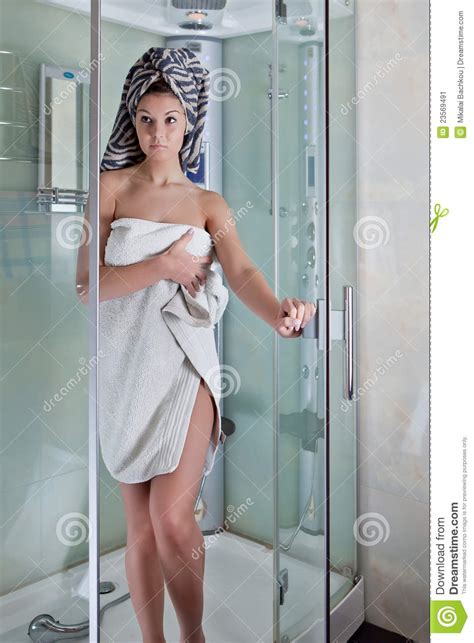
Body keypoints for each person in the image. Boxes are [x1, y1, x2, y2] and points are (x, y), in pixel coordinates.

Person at [76, 47, 316, 643]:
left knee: (172, 520)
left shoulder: (210, 205)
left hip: (186, 366)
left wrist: (279, 312)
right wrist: (163, 264)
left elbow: (242, 274)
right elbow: (88, 287)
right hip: (125, 372)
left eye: (172, 119)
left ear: (190, 124)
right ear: (133, 120)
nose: (159, 132)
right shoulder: (108, 189)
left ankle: (193, 637)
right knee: (139, 530)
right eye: (147, 119)